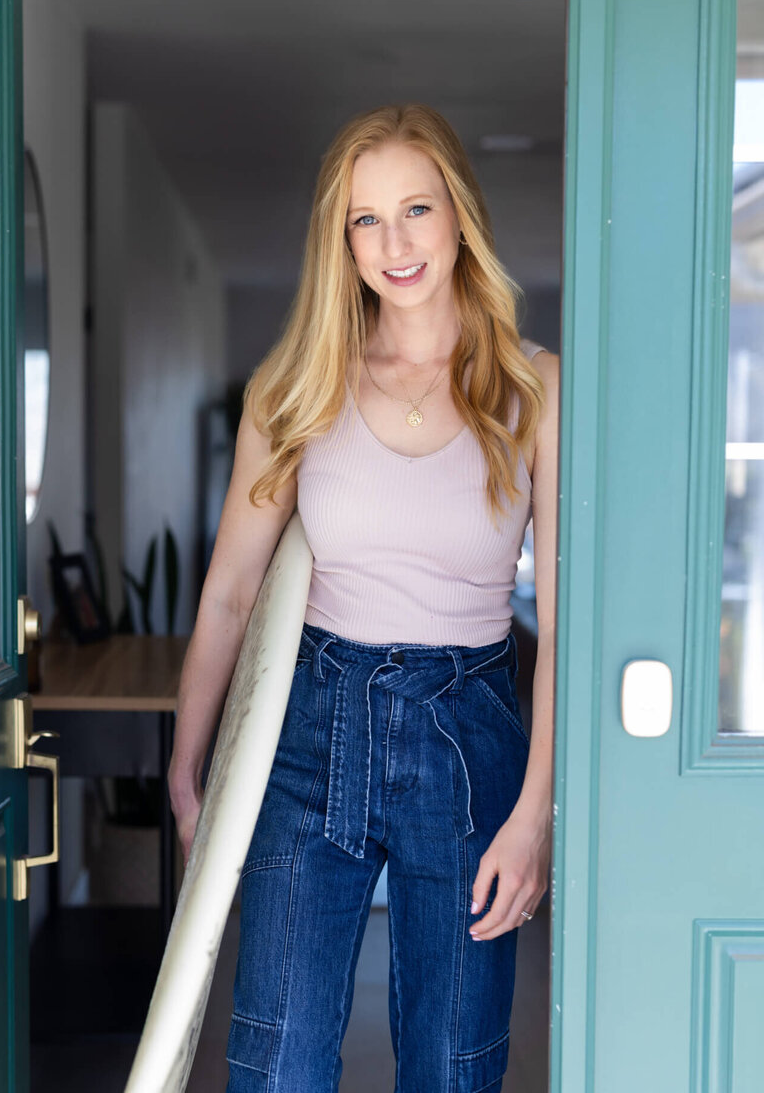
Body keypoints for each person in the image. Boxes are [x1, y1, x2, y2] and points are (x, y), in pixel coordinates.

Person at [168, 103, 558, 1093]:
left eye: (415, 208)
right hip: (308, 725)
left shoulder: (534, 389)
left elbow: (564, 622)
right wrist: (186, 765)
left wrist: (534, 813)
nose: (394, 242)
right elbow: (229, 593)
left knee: (450, 1061)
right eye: (364, 219)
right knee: (275, 1057)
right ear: (338, 240)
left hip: (469, 739)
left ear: (459, 214)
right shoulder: (294, 389)